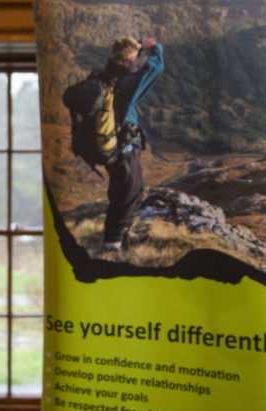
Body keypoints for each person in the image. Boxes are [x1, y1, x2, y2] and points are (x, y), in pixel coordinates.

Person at [100, 36, 164, 255]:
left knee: (131, 189)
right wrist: (155, 49)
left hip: (114, 146)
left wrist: (137, 46)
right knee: (127, 192)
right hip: (124, 148)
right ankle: (113, 246)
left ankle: (124, 233)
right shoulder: (127, 83)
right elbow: (155, 68)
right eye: (138, 57)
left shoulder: (112, 78)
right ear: (129, 58)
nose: (140, 61)